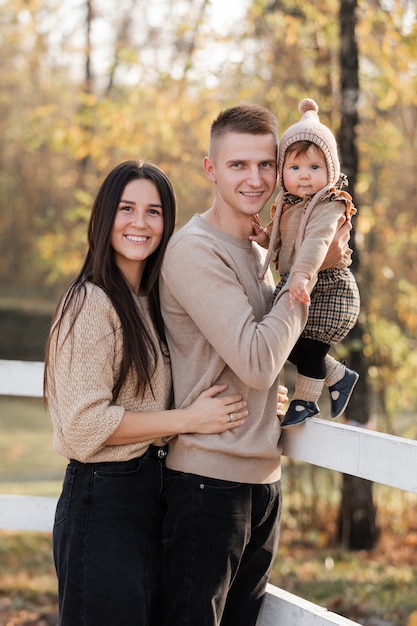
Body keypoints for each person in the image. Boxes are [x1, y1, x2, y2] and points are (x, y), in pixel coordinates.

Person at [159, 104, 353, 625]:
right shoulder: (195, 250)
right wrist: (308, 277)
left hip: (263, 480)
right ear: (210, 169)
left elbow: (258, 366)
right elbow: (258, 362)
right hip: (207, 482)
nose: (256, 178)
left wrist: (272, 398)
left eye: (267, 164)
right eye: (238, 165)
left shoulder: (259, 251)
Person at [43, 160, 250, 626]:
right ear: (103, 217)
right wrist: (186, 421)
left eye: (154, 212)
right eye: (126, 208)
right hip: (103, 501)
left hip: (151, 496)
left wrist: (256, 400)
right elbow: (82, 427)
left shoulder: (149, 303)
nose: (140, 223)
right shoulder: (90, 302)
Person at [252, 98, 360, 428]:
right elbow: (287, 241)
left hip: (328, 287)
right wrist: (265, 239)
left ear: (331, 172)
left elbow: (316, 241)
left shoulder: (328, 203)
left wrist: (300, 275)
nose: (303, 177)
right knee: (285, 345)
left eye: (314, 168)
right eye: (295, 168)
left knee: (308, 348)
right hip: (301, 284)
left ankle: (305, 402)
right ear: (282, 171)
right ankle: (339, 377)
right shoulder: (288, 204)